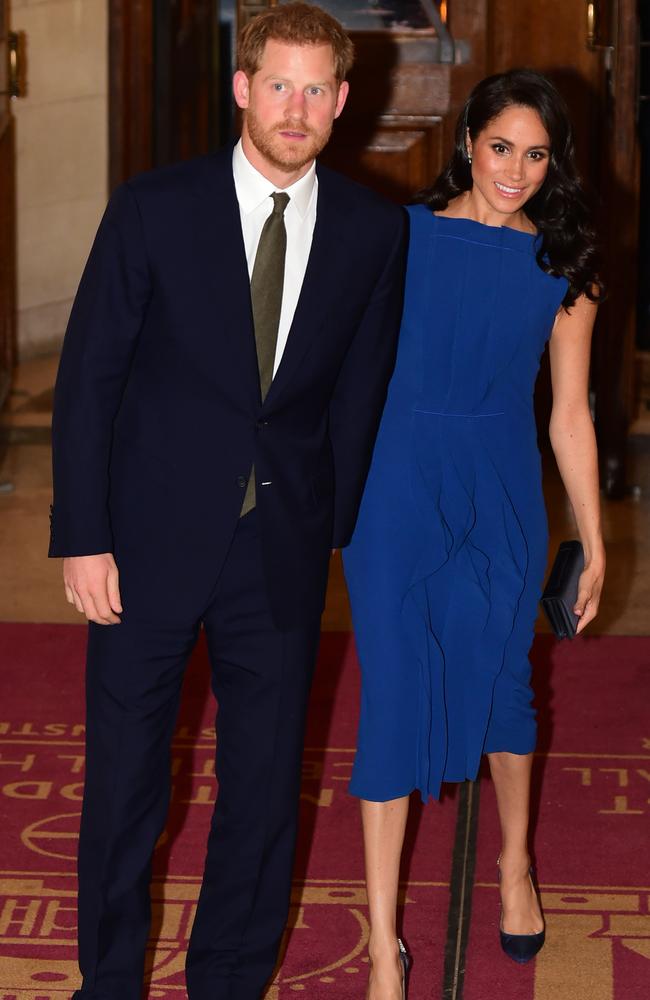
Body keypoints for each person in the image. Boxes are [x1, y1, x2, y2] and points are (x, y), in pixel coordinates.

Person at [48, 5, 406, 997]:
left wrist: (326, 533)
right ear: (242, 87)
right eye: (276, 85)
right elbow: (90, 381)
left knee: (261, 790)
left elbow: (357, 391)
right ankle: (108, 981)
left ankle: (228, 979)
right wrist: (83, 535)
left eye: (314, 90)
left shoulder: (374, 231)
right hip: (143, 542)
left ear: (342, 101)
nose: (294, 109)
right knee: (124, 786)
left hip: (279, 553)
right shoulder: (154, 207)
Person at [342, 68, 606, 997]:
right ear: (466, 140)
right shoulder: (399, 239)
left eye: (537, 155)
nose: (517, 171)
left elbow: (569, 416)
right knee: (393, 694)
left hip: (501, 490)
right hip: (395, 489)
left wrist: (596, 539)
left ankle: (515, 866)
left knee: (503, 683)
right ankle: (381, 943)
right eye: (502, 148)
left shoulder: (564, 265)